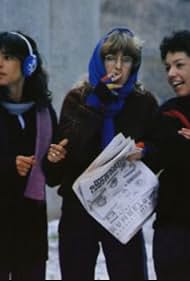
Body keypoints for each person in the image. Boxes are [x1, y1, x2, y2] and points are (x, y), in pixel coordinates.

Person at [44, 27, 158, 280]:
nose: (117, 66)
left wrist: (145, 149)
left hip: (123, 207)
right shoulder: (78, 99)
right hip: (80, 207)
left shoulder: (143, 102)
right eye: (110, 58)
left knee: (130, 273)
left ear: (134, 64)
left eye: (126, 59)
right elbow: (73, 146)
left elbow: (158, 146)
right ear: (99, 60)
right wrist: (99, 101)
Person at [0, 31, 65, 280]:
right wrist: (8, 165)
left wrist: (55, 159)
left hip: (29, 232)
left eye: (7, 56)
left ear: (29, 64)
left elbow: (52, 178)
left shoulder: (44, 113)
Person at [131, 30, 190, 280]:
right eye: (168, 67)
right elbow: (155, 153)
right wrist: (141, 151)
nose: (171, 74)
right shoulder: (168, 113)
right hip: (171, 226)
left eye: (179, 65)